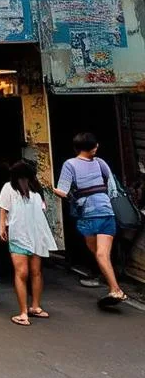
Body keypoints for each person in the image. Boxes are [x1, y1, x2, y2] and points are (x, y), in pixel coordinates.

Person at [55, 132, 127, 307]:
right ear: (94, 147)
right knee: (102, 254)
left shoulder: (69, 164)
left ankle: (116, 290)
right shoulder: (101, 163)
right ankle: (112, 285)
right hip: (106, 211)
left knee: (98, 253)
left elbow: (62, 192)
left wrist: (46, 186)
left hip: (87, 214)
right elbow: (112, 186)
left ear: (76, 148)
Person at [0, 161, 57, 326]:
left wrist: (2, 227)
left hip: (28, 235)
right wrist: (2, 227)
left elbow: (3, 209)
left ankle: (29, 309)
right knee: (30, 272)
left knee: (26, 273)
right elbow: (4, 208)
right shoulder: (16, 188)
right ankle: (29, 309)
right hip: (26, 235)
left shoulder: (30, 189)